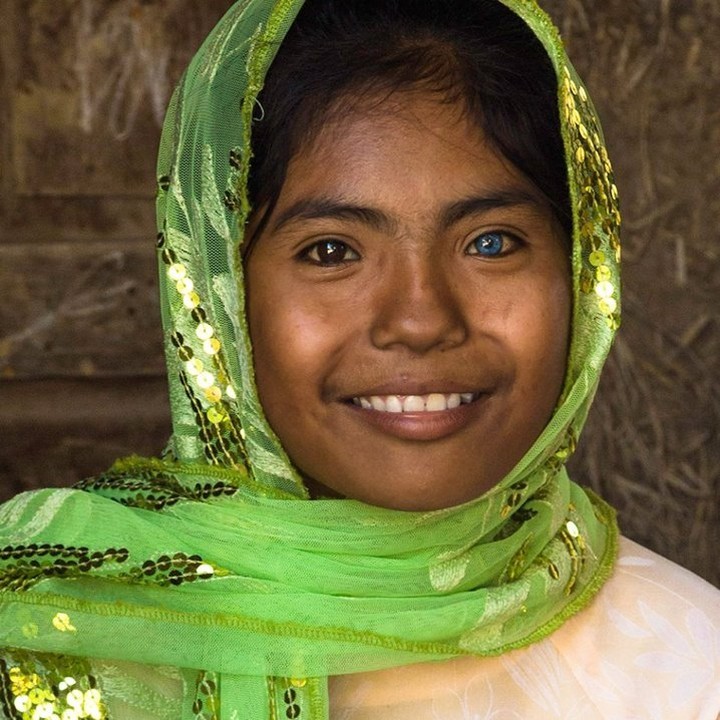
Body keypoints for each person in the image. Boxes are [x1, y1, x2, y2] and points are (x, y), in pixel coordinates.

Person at [0, 0, 718, 717]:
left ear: (583, 270)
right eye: (332, 251)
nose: (420, 320)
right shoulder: (42, 635)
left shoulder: (685, 665)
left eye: (491, 242)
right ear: (216, 293)